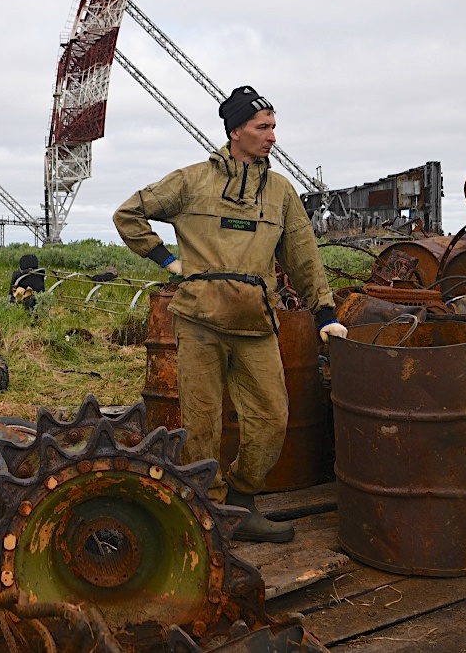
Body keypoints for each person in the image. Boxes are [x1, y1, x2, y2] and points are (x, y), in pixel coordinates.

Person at [113, 85, 347, 543]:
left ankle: (242, 501)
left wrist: (324, 313)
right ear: (236, 130)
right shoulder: (191, 181)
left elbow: (304, 256)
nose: (272, 137)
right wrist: (168, 262)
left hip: (256, 324)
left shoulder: (280, 192)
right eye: (263, 127)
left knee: (272, 417)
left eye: (274, 127)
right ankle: (209, 508)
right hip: (199, 322)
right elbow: (129, 215)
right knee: (201, 423)